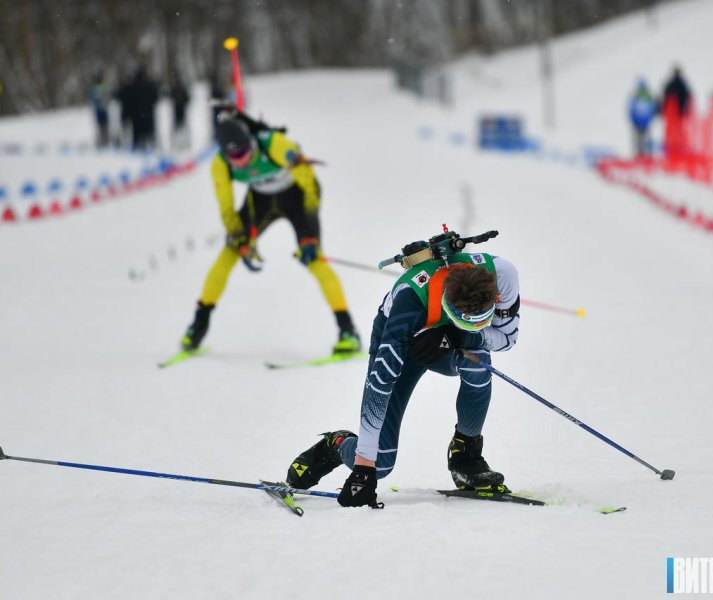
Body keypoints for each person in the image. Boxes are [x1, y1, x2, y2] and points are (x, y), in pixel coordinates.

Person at [284, 231, 521, 508]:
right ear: (446, 302)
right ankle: (337, 445)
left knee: (479, 363)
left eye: (482, 321)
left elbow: (507, 339)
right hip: (406, 344)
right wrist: (363, 468)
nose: (476, 328)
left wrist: (458, 336)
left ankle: (466, 455)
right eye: (465, 322)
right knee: (380, 463)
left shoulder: (503, 275)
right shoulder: (409, 301)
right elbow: (380, 382)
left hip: (447, 346)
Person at [180, 108, 361, 354]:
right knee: (228, 254)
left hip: (296, 198)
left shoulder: (275, 144)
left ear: (250, 143)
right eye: (234, 157)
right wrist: (240, 238)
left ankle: (348, 330)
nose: (241, 161)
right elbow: (226, 208)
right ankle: (198, 326)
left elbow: (311, 185)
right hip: (260, 202)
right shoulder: (220, 165)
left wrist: (309, 234)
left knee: (315, 260)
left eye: (244, 152)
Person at [661, 66, 693, 158]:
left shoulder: (670, 84)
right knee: (679, 132)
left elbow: (664, 99)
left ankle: (673, 149)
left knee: (673, 132)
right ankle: (677, 149)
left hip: (672, 114)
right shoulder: (682, 84)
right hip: (677, 113)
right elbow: (688, 97)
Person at [628, 78, 658, 157]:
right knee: (647, 139)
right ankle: (648, 155)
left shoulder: (636, 96)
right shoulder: (649, 96)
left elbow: (632, 109)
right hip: (646, 121)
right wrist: (651, 118)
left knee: (639, 140)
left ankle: (639, 155)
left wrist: (633, 120)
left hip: (637, 121)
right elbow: (653, 108)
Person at [88, 71, 111, 148]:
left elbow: (92, 98)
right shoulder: (103, 87)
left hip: (100, 109)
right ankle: (104, 140)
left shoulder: (94, 88)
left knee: (101, 125)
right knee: (104, 125)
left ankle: (103, 140)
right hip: (102, 109)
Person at [170, 74, 190, 151]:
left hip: (180, 110)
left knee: (181, 128)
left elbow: (187, 99)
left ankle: (183, 144)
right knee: (179, 128)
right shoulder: (177, 89)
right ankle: (179, 144)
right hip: (178, 111)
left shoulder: (178, 89)